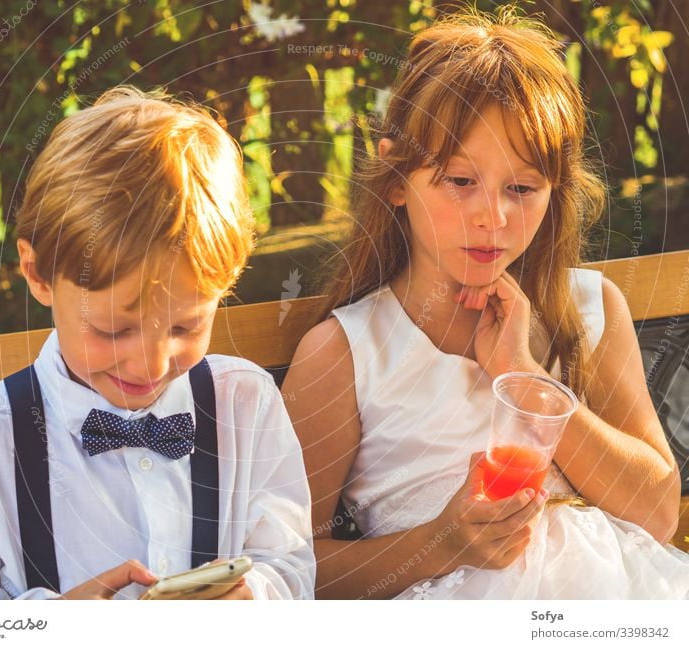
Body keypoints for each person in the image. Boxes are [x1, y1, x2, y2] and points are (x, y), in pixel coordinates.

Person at [282, 9, 689, 599]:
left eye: (522, 189)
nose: (492, 218)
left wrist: (524, 379)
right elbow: (288, 569)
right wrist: (442, 543)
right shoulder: (347, 352)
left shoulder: (588, 306)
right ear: (397, 179)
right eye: (459, 180)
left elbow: (657, 513)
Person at [0, 86, 314, 600]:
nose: (152, 363)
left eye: (185, 327)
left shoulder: (246, 404)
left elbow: (291, 564)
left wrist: (255, 597)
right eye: (113, 331)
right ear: (38, 274)